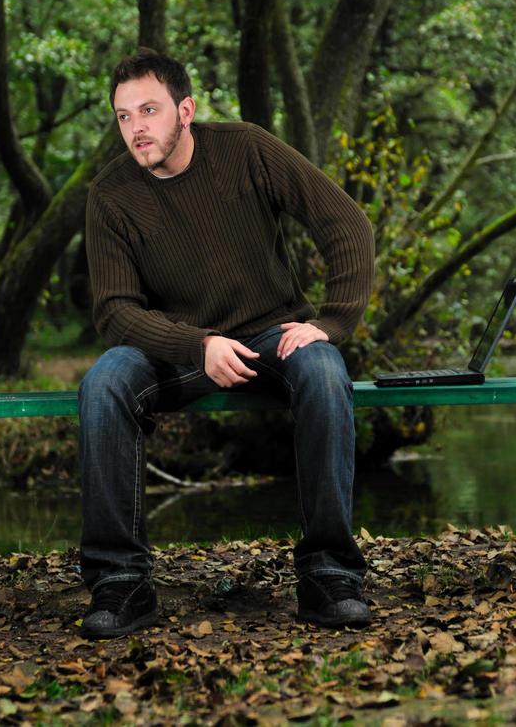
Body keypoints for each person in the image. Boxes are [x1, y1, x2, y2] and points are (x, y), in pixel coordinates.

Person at [78, 47, 375, 639]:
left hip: (271, 333)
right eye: (123, 116)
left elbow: (348, 225)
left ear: (185, 110)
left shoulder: (246, 149)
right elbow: (114, 312)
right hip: (175, 350)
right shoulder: (109, 195)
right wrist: (198, 345)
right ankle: (121, 582)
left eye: (149, 111)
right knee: (105, 379)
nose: (136, 129)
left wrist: (334, 322)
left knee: (323, 369)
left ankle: (328, 574)